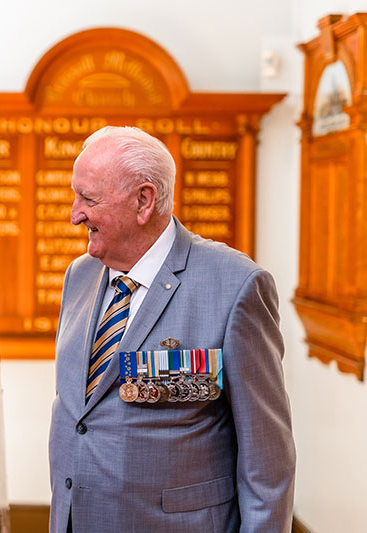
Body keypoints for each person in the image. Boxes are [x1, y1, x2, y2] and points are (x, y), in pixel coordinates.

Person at [48, 126, 295, 532]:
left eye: (88, 199)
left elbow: (268, 462)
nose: (74, 214)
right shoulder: (80, 275)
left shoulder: (235, 286)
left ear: (143, 201)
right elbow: (83, 417)